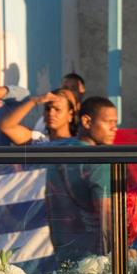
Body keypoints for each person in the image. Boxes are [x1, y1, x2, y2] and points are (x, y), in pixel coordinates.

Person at [45, 96, 117, 262]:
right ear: (86, 121)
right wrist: (123, 253)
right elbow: (107, 217)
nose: (114, 128)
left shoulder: (59, 155)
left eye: (115, 123)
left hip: (62, 258)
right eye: (109, 122)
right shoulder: (99, 161)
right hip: (94, 262)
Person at [0, 88, 78, 145]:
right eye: (47, 109)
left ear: (70, 115)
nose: (51, 113)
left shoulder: (76, 144)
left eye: (57, 109)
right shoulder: (39, 140)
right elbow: (6, 127)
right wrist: (34, 101)